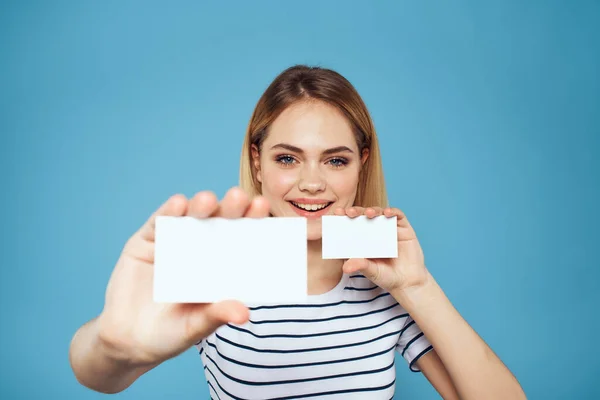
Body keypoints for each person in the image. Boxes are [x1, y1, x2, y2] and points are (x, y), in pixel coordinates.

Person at [69, 65, 526, 399]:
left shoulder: (385, 280)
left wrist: (419, 286)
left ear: (360, 164)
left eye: (335, 159)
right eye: (288, 158)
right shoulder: (220, 264)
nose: (312, 182)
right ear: (257, 162)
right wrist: (112, 343)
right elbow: (98, 372)